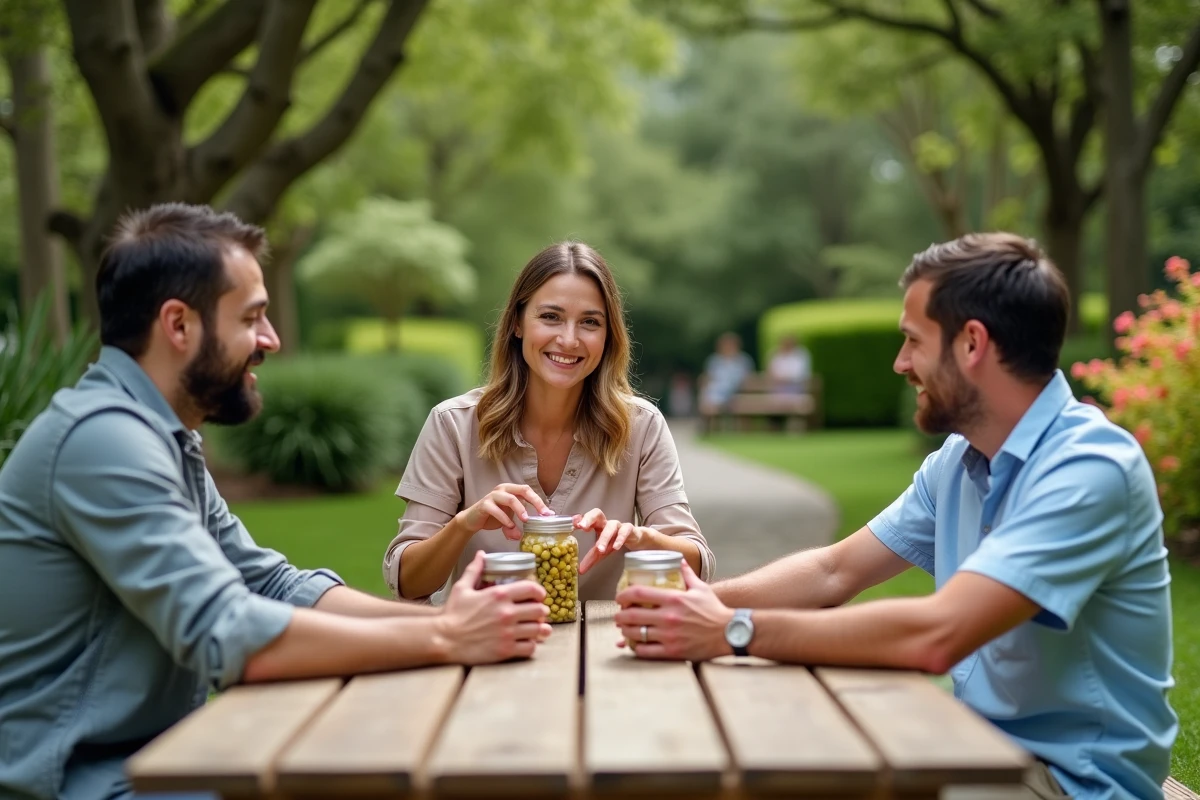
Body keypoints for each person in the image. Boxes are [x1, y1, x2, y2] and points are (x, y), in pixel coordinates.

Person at [0, 204, 550, 800]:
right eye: (252, 318)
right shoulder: (103, 442)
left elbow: (271, 584)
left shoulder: (159, 437)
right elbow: (231, 634)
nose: (272, 339)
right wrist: (446, 641)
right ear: (178, 325)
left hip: (157, 762)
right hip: (84, 784)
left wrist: (446, 622)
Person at [614, 233, 1177, 800]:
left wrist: (734, 632)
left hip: (1073, 785)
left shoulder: (1089, 470)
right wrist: (704, 603)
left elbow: (938, 635)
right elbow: (834, 571)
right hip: (978, 753)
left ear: (972, 344)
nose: (900, 363)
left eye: (912, 341)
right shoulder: (959, 461)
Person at [383, 241, 714, 604]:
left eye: (590, 322)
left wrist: (641, 538)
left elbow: (697, 565)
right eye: (551, 317)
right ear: (517, 324)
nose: (569, 340)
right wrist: (464, 524)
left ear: (608, 336)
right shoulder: (452, 425)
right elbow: (407, 581)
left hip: (607, 652)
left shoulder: (642, 426)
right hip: (485, 647)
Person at [698, 331, 754, 414]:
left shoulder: (744, 360)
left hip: (737, 390)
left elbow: (748, 378)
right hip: (717, 390)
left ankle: (712, 417)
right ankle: (710, 420)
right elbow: (708, 377)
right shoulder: (714, 360)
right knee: (709, 394)